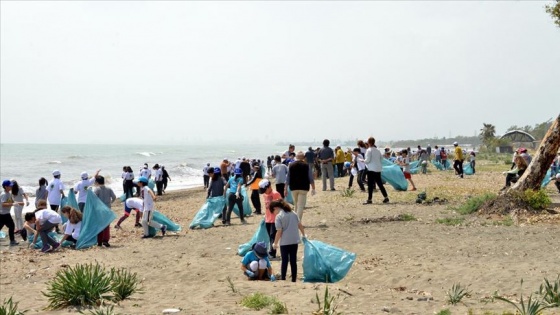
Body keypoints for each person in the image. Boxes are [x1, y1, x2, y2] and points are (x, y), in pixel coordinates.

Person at [271, 199, 306, 282]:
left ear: (276, 208)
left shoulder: (279, 216)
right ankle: (294, 279)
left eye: (273, 211)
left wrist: (275, 243)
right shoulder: (293, 213)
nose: (273, 213)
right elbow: (300, 225)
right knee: (293, 261)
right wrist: (304, 234)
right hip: (294, 240)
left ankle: (283, 278)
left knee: (285, 260)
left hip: (285, 242)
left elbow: (279, 231)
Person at [286, 151, 316, 221]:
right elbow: (310, 178)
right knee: (300, 205)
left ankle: (294, 221)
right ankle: (297, 221)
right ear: (304, 158)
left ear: (296, 157)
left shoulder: (291, 165)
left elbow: (288, 178)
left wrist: (285, 188)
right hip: (303, 187)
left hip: (293, 187)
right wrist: (313, 188)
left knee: (296, 204)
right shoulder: (306, 165)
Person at [258, 179, 281, 258]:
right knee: (270, 236)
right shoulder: (265, 194)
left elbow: (281, 204)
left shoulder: (276, 194)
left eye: (264, 190)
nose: (264, 192)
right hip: (268, 218)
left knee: (272, 236)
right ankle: (272, 250)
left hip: (275, 218)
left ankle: (272, 253)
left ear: (269, 187)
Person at [363, 137, 390, 204]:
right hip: (378, 169)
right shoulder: (377, 150)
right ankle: (386, 197)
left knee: (370, 185)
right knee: (380, 184)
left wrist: (362, 160)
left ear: (368, 143)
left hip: (371, 169)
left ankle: (369, 199)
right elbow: (381, 159)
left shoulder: (369, 150)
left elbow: (367, 160)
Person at [93, 175, 116, 247]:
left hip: (100, 209)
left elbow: (94, 199)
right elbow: (114, 197)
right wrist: (110, 203)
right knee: (106, 225)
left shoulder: (97, 189)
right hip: (107, 209)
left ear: (97, 182)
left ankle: (99, 241)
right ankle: (105, 240)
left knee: (100, 225)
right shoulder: (109, 189)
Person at [1, 179, 20, 246]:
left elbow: (10, 201)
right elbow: (3, 204)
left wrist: (16, 203)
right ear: (6, 187)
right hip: (3, 214)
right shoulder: (4, 194)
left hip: (5, 213)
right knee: (12, 226)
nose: (11, 187)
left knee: (10, 226)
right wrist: (12, 204)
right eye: (10, 186)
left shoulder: (8, 193)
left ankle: (12, 241)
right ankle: (12, 241)